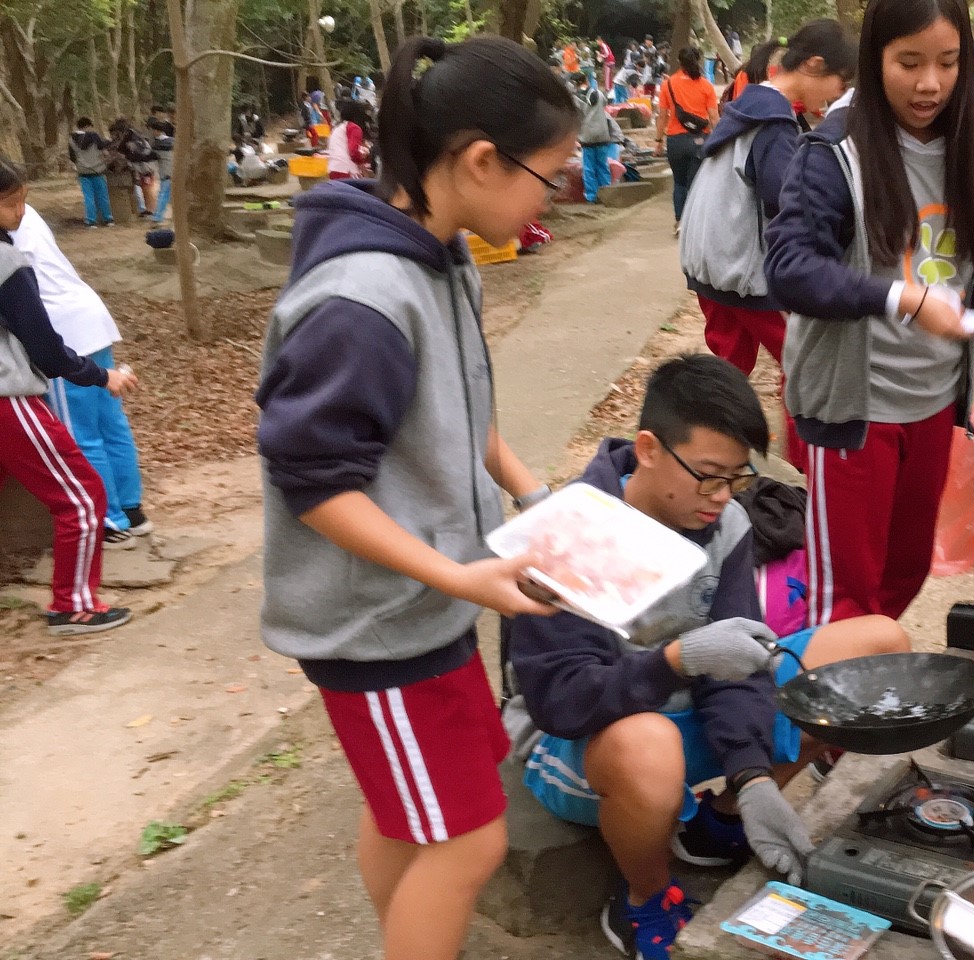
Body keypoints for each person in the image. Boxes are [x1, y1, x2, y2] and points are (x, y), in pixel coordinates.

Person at [252, 35, 578, 960]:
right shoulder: (363, 300)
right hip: (376, 623)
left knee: (411, 815)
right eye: (549, 176)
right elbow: (313, 484)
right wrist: (459, 575)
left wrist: (534, 494)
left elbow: (459, 401)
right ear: (480, 161)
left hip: (426, 602)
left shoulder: (442, 251)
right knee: (467, 842)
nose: (555, 196)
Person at [506, 355, 909, 960]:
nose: (721, 497)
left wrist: (751, 777)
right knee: (650, 746)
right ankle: (644, 898)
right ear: (648, 449)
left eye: (736, 479)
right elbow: (563, 701)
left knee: (876, 645)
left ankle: (719, 826)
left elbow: (739, 660)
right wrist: (678, 659)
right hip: (588, 744)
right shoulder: (572, 532)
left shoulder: (727, 523)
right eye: (708, 477)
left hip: (687, 714)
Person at [764, 0, 974, 625]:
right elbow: (790, 267)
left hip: (933, 403)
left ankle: (868, 673)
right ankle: (823, 684)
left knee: (904, 572)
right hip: (855, 411)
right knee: (846, 595)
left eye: (948, 62)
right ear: (875, 59)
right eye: (909, 63)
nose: (930, 83)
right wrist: (901, 298)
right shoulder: (834, 155)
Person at [0, 158, 137, 635]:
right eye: (12, 203)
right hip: (9, 399)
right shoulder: (8, 263)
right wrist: (100, 376)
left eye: (23, 201)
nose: (21, 213)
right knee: (82, 497)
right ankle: (74, 604)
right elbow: (45, 348)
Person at [684, 21, 855, 382]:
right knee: (807, 367)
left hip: (708, 265)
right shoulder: (774, 122)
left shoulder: (749, 105)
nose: (837, 94)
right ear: (814, 65)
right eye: (840, 82)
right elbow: (787, 201)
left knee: (728, 377)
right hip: (740, 272)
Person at [14, 202, 153, 548]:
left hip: (63, 331)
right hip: (87, 317)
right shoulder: (23, 207)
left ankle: (108, 520)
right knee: (109, 423)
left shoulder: (9, 216)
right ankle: (131, 509)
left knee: (81, 434)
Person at [657, 48, 720, 229]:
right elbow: (714, 117)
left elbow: (662, 116)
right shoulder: (706, 85)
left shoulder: (668, 85)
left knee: (679, 182)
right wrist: (719, 140)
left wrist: (658, 141)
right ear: (698, 60)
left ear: (679, 61)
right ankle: (694, 225)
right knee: (696, 184)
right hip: (700, 140)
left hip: (675, 140)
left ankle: (679, 222)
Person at [578, 76, 624, 203]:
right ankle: (606, 194)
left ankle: (591, 196)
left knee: (589, 168)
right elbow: (604, 104)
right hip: (602, 135)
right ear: (586, 81)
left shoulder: (575, 97)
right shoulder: (598, 93)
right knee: (603, 166)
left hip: (587, 137)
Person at [69, 118, 113, 228]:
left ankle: (91, 221)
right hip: (97, 170)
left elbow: (72, 157)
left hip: (83, 172)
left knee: (88, 197)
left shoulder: (71, 139)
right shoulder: (94, 136)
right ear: (88, 126)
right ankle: (108, 219)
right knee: (102, 196)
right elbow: (104, 151)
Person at [110, 119, 157, 218]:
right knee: (145, 188)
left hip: (145, 167)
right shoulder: (131, 137)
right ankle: (149, 209)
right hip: (141, 167)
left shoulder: (133, 139)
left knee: (148, 188)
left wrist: (127, 157)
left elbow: (139, 154)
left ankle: (151, 209)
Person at [326, 100, 372, 180]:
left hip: (333, 169)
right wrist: (362, 160)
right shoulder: (354, 128)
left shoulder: (339, 127)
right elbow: (353, 152)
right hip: (347, 170)